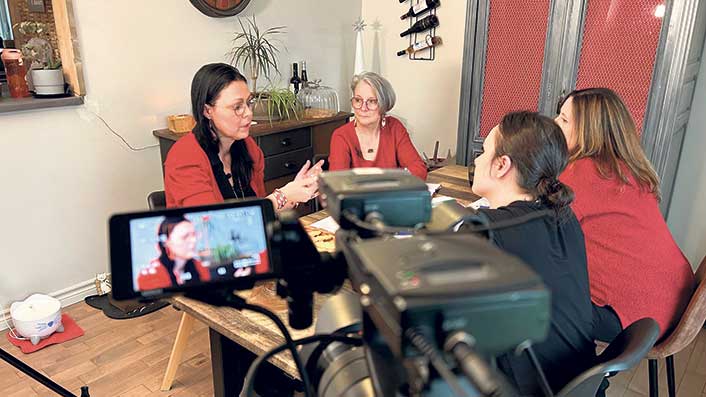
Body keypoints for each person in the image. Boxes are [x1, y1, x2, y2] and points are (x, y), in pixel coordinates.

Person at [471, 111, 595, 395]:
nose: (477, 159)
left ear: (502, 165)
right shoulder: (563, 216)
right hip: (578, 384)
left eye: (483, 151)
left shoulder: (486, 232)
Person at [556, 88, 694, 341]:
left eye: (564, 120)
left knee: (535, 299)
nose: (554, 124)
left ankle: (579, 378)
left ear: (590, 131)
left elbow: (538, 222)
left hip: (638, 320)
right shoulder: (628, 169)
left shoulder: (582, 172)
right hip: (676, 304)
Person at [164, 63, 323, 210]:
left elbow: (262, 213)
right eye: (237, 107)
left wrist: (298, 190)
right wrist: (282, 195)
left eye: (249, 102)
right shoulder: (184, 157)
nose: (248, 113)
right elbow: (210, 226)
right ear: (207, 111)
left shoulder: (248, 147)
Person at [328, 72, 428, 180]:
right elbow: (338, 185)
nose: (363, 108)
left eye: (371, 101)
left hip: (392, 196)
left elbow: (419, 169)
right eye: (358, 100)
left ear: (383, 104)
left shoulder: (395, 127)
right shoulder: (341, 136)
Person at [137, 216, 210, 291]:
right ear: (166, 242)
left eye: (194, 234)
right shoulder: (150, 275)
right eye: (185, 237)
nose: (193, 240)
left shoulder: (200, 267)